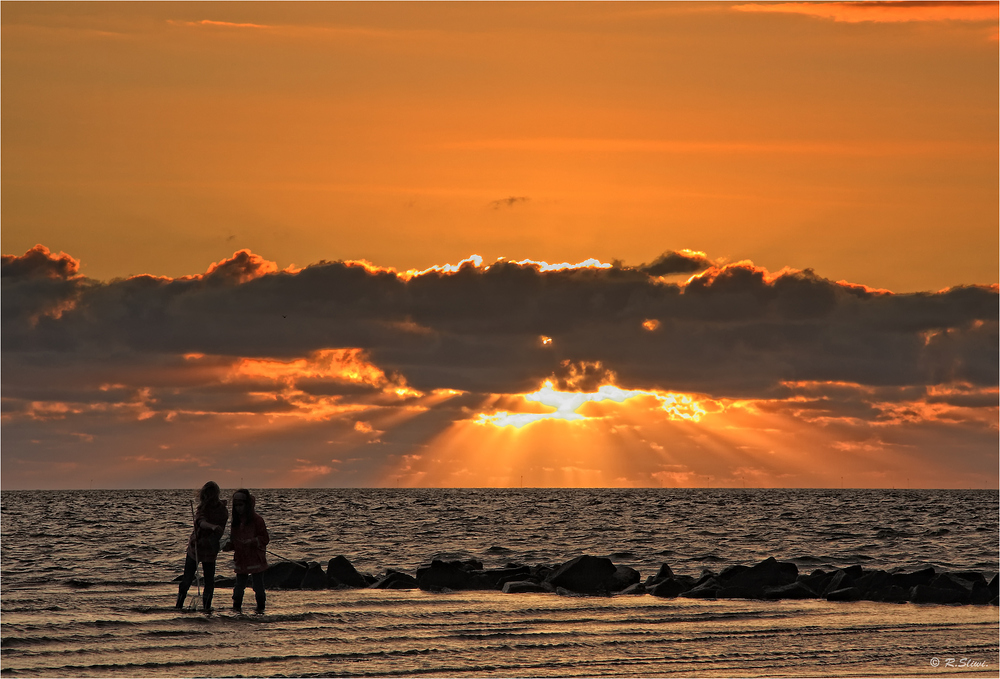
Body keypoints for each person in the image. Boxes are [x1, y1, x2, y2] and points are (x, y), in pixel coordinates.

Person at [176, 481, 227, 611]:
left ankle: (206, 608)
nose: (210, 499)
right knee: (187, 579)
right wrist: (212, 526)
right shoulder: (201, 509)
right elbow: (201, 522)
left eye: (212, 495)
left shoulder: (222, 510)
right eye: (207, 496)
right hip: (196, 548)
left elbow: (221, 528)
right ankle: (179, 605)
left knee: (209, 582)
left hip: (210, 549)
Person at [224, 488, 269, 614]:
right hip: (241, 558)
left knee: (258, 587)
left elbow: (265, 538)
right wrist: (228, 546)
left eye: (241, 505)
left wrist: (252, 541)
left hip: (256, 557)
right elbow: (234, 541)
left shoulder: (257, 520)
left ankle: (261, 610)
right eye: (236, 505)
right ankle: (236, 609)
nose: (239, 508)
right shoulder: (236, 522)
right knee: (239, 587)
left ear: (247, 505)